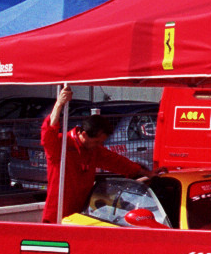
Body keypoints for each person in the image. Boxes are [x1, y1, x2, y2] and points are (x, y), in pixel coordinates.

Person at [40, 86, 151, 222]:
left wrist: (146, 172)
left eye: (101, 142)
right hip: (56, 214)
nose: (99, 145)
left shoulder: (94, 149)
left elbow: (117, 162)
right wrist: (59, 104)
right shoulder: (60, 145)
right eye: (97, 141)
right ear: (84, 134)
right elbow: (48, 131)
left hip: (80, 213)